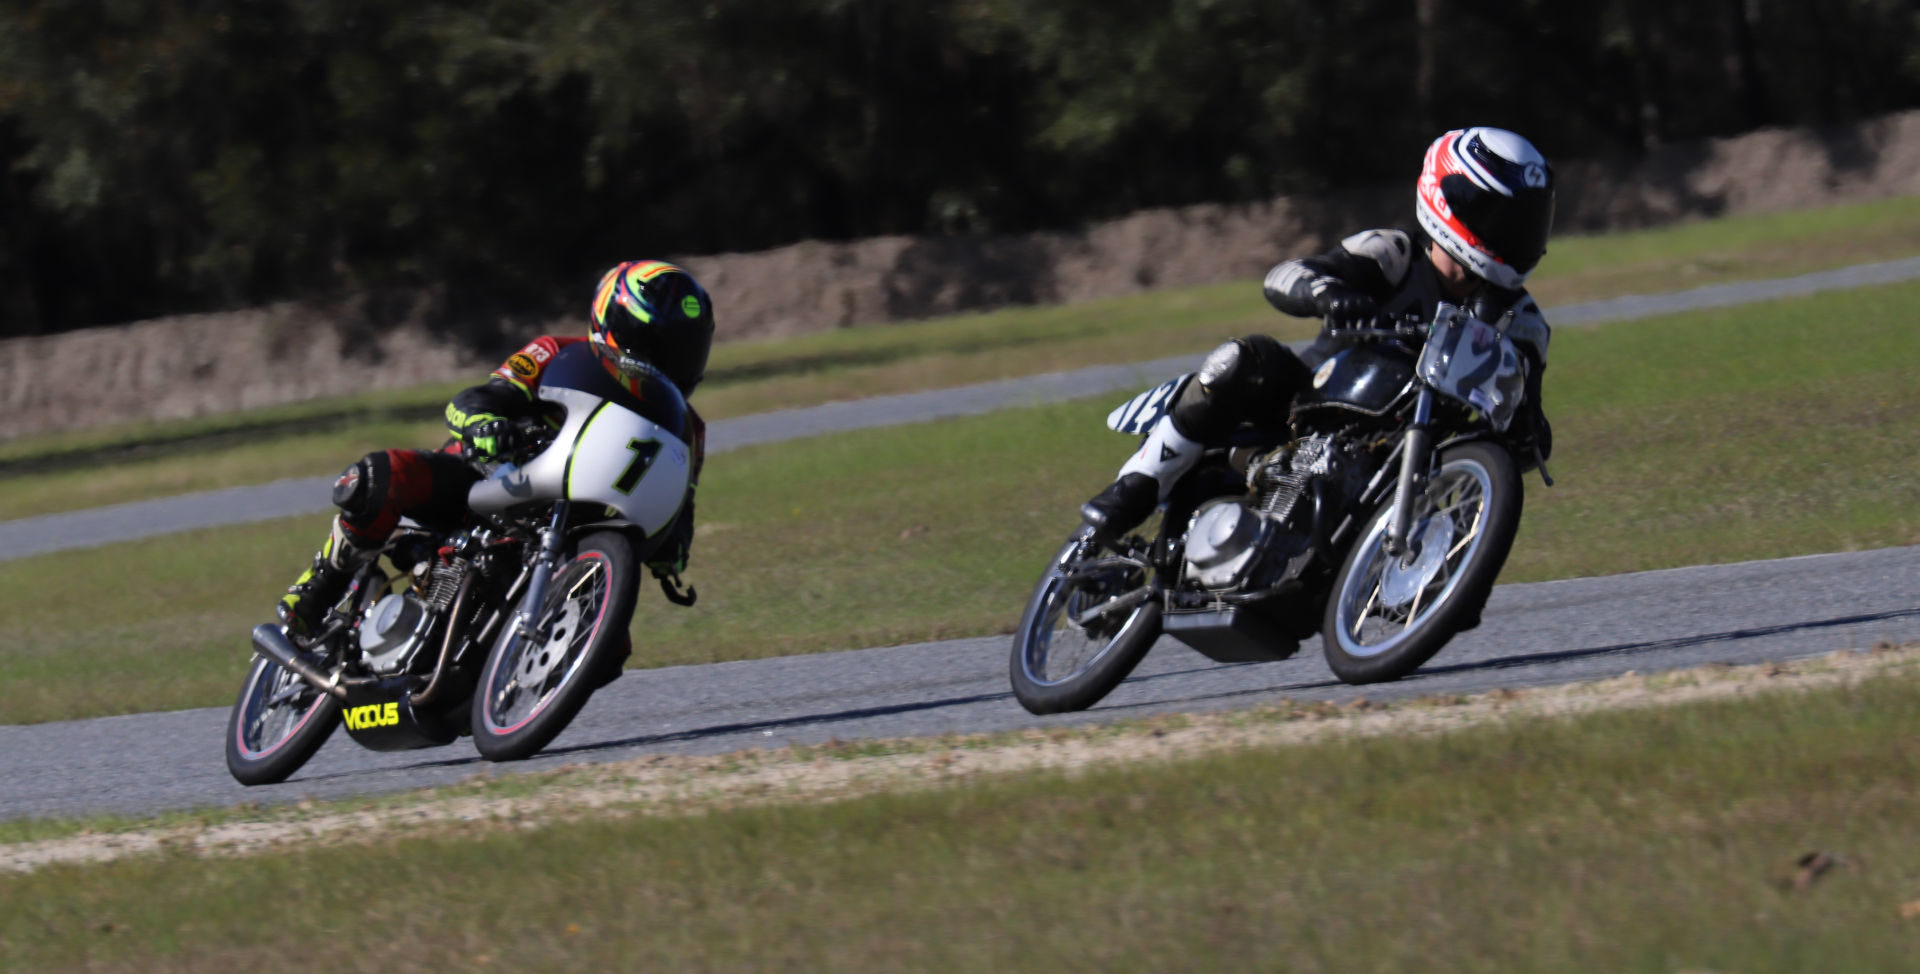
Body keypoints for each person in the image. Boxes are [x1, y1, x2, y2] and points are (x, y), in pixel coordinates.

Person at [1080, 126, 1557, 540]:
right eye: (1500, 220)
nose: (1514, 238)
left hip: (1405, 455)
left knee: (1467, 500)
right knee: (1245, 358)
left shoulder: (1524, 323)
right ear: (1449, 199)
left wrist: (1525, 430)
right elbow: (1285, 275)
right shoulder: (1391, 253)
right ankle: (1136, 486)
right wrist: (1329, 295)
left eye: (1525, 225)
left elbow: (1529, 426)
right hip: (1307, 403)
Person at [279, 259, 714, 634]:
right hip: (492, 478)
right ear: (615, 326)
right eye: (656, 346)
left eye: (684, 351)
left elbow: (681, 509)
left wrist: (670, 553)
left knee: (613, 645)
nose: (668, 363)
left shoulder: (687, 429)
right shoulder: (556, 352)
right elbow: (479, 399)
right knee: (386, 474)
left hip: (577, 520)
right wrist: (487, 425)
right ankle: (318, 588)